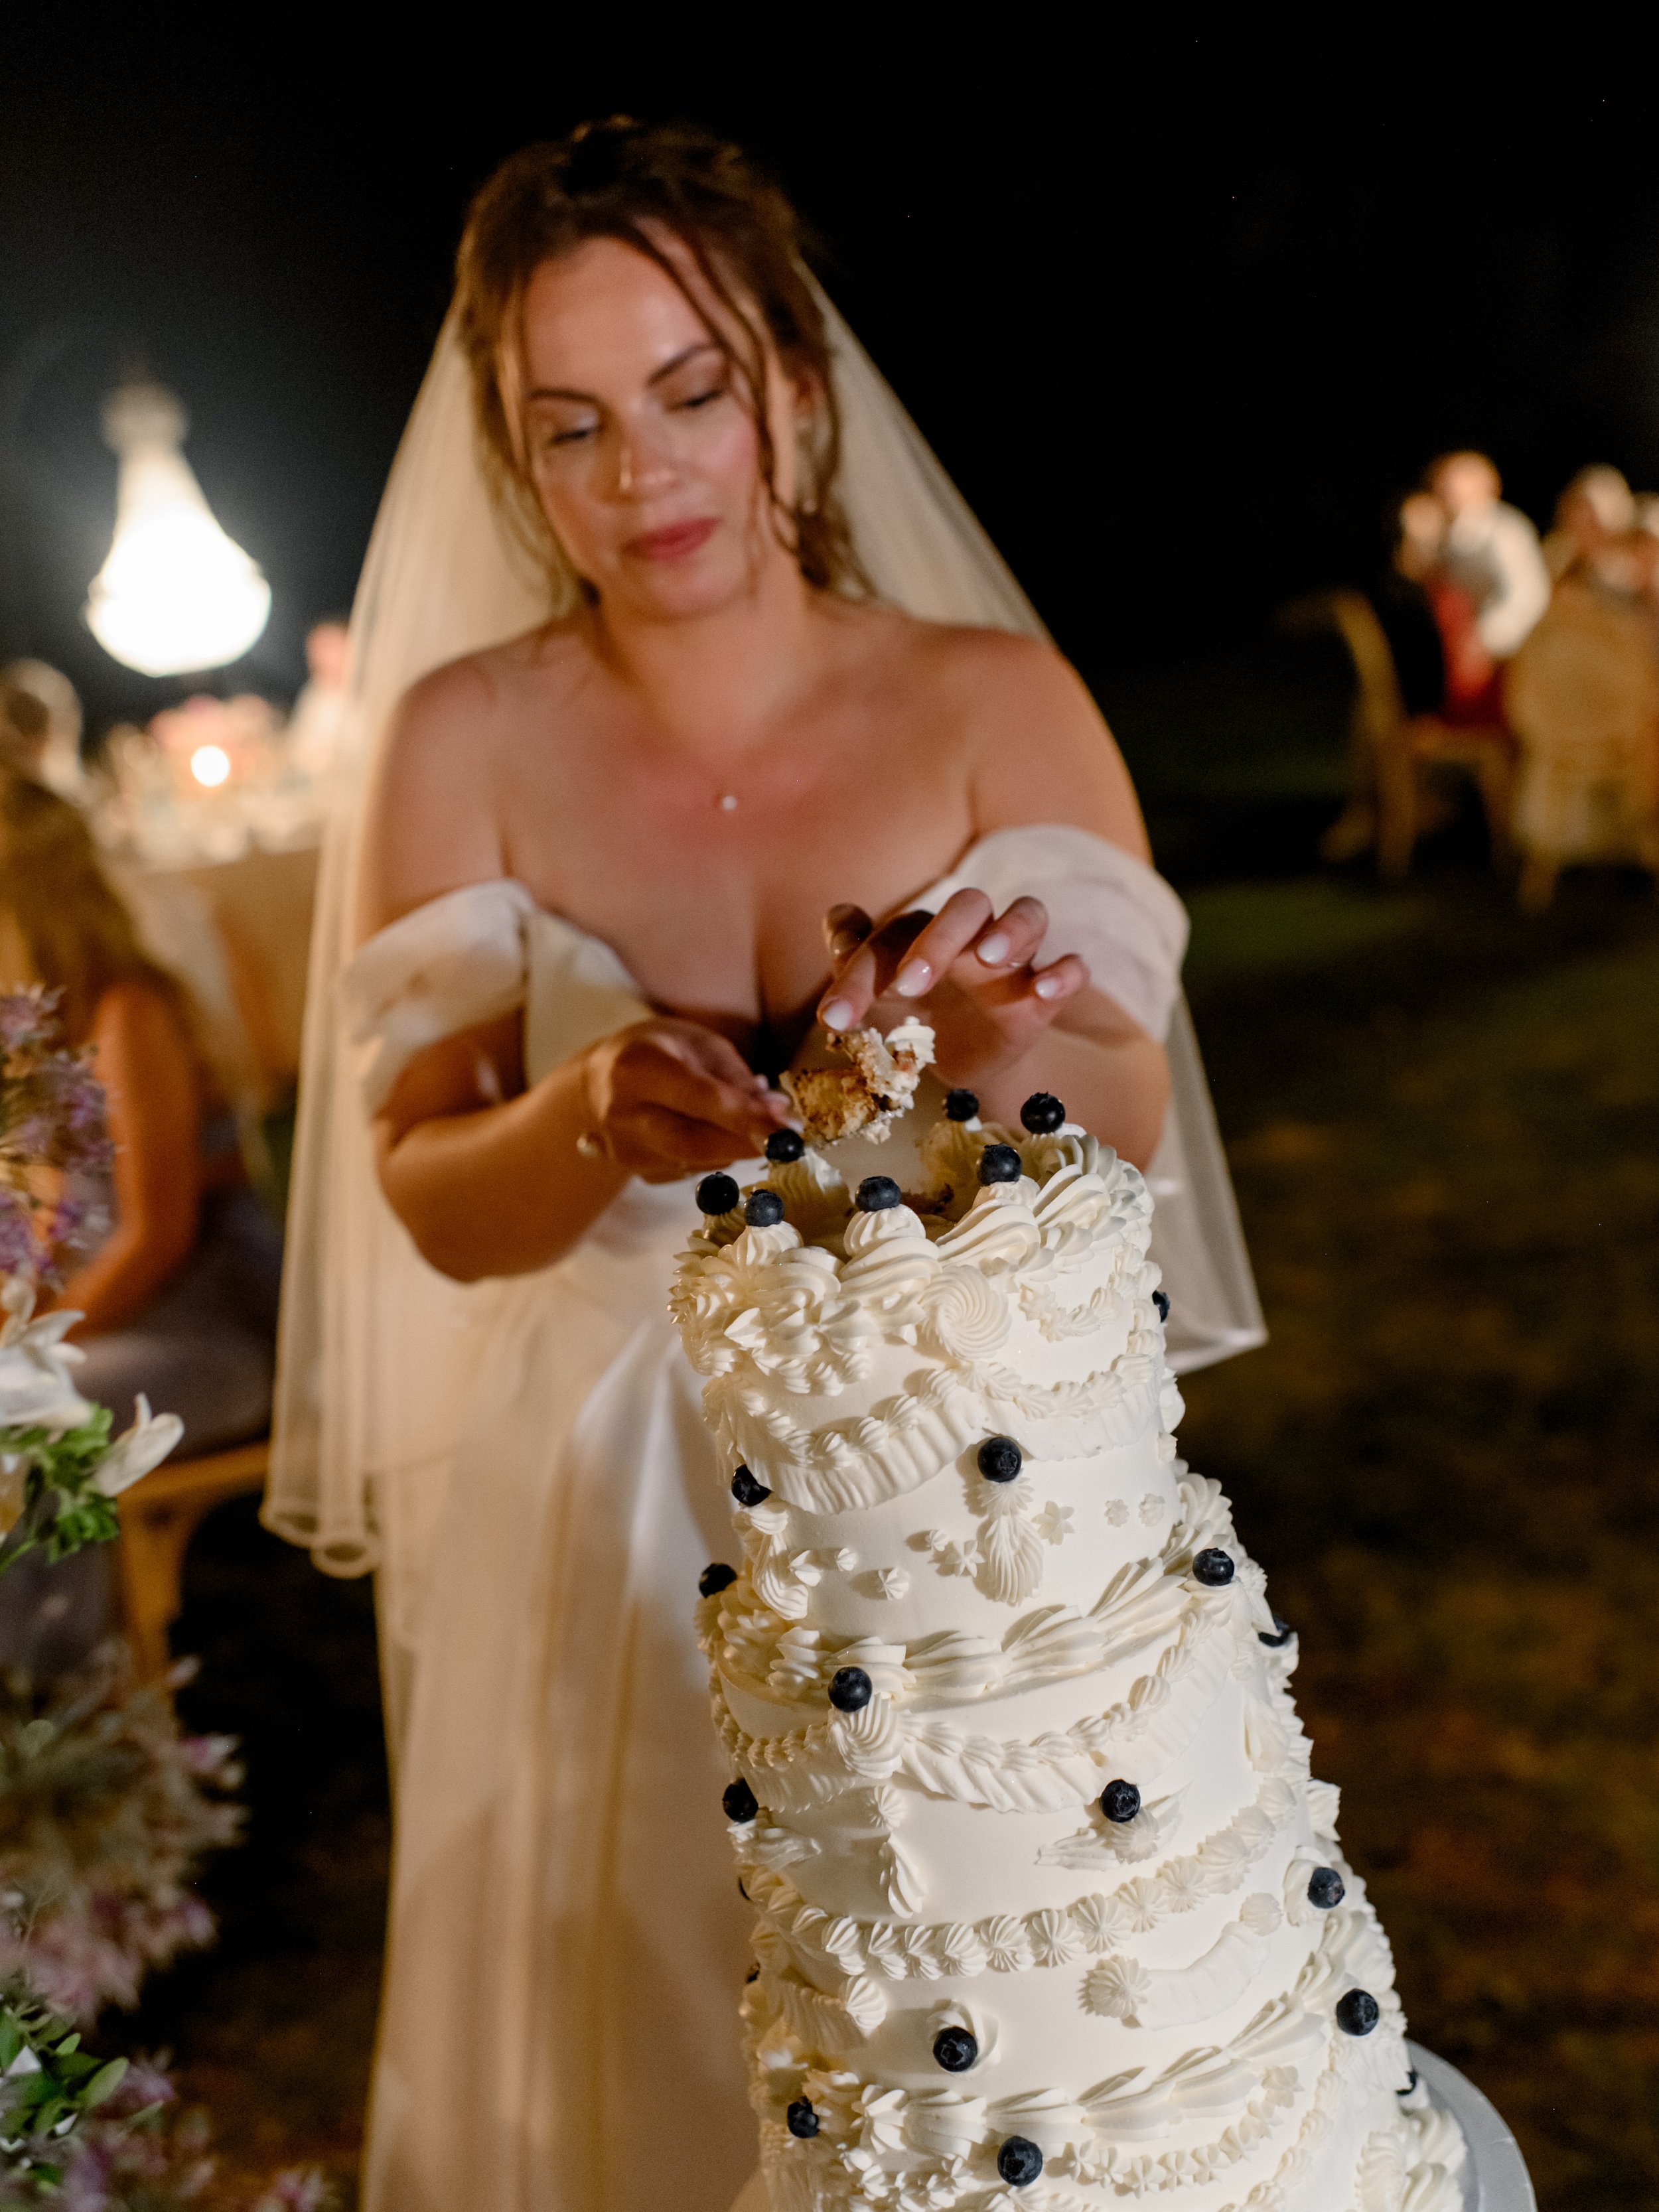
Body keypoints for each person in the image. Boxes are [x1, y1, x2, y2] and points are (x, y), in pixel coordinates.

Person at [267, 119, 1263, 2212]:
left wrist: (978, 1060)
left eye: (690, 393)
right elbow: (426, 1195)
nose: (644, 477)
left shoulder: (994, 702)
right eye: (573, 428)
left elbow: (1133, 1125)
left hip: (947, 1495)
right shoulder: (462, 735)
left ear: (794, 388)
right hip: (604, 1509)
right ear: (516, 463)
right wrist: (577, 1115)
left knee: (972, 2036)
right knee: (640, 2035)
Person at [0, 768, 282, 1673]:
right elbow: (57, 1223)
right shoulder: (40, 1029)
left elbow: (154, 1233)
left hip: (206, 1333)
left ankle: (61, 1692)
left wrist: (34, 1337)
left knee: (31, 1423)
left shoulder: (128, 1012)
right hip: (113, 1325)